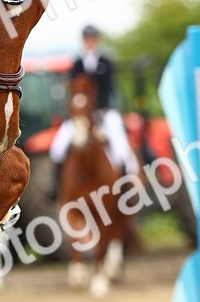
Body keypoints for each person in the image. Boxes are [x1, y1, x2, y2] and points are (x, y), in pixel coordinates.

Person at [48, 24, 139, 197]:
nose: (90, 42)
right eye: (87, 39)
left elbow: (108, 88)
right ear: (83, 40)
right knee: (58, 147)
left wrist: (99, 108)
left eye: (93, 39)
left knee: (119, 144)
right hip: (80, 115)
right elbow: (73, 90)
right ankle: (56, 187)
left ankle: (126, 185)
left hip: (103, 112)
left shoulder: (105, 62)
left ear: (97, 40)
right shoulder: (77, 64)